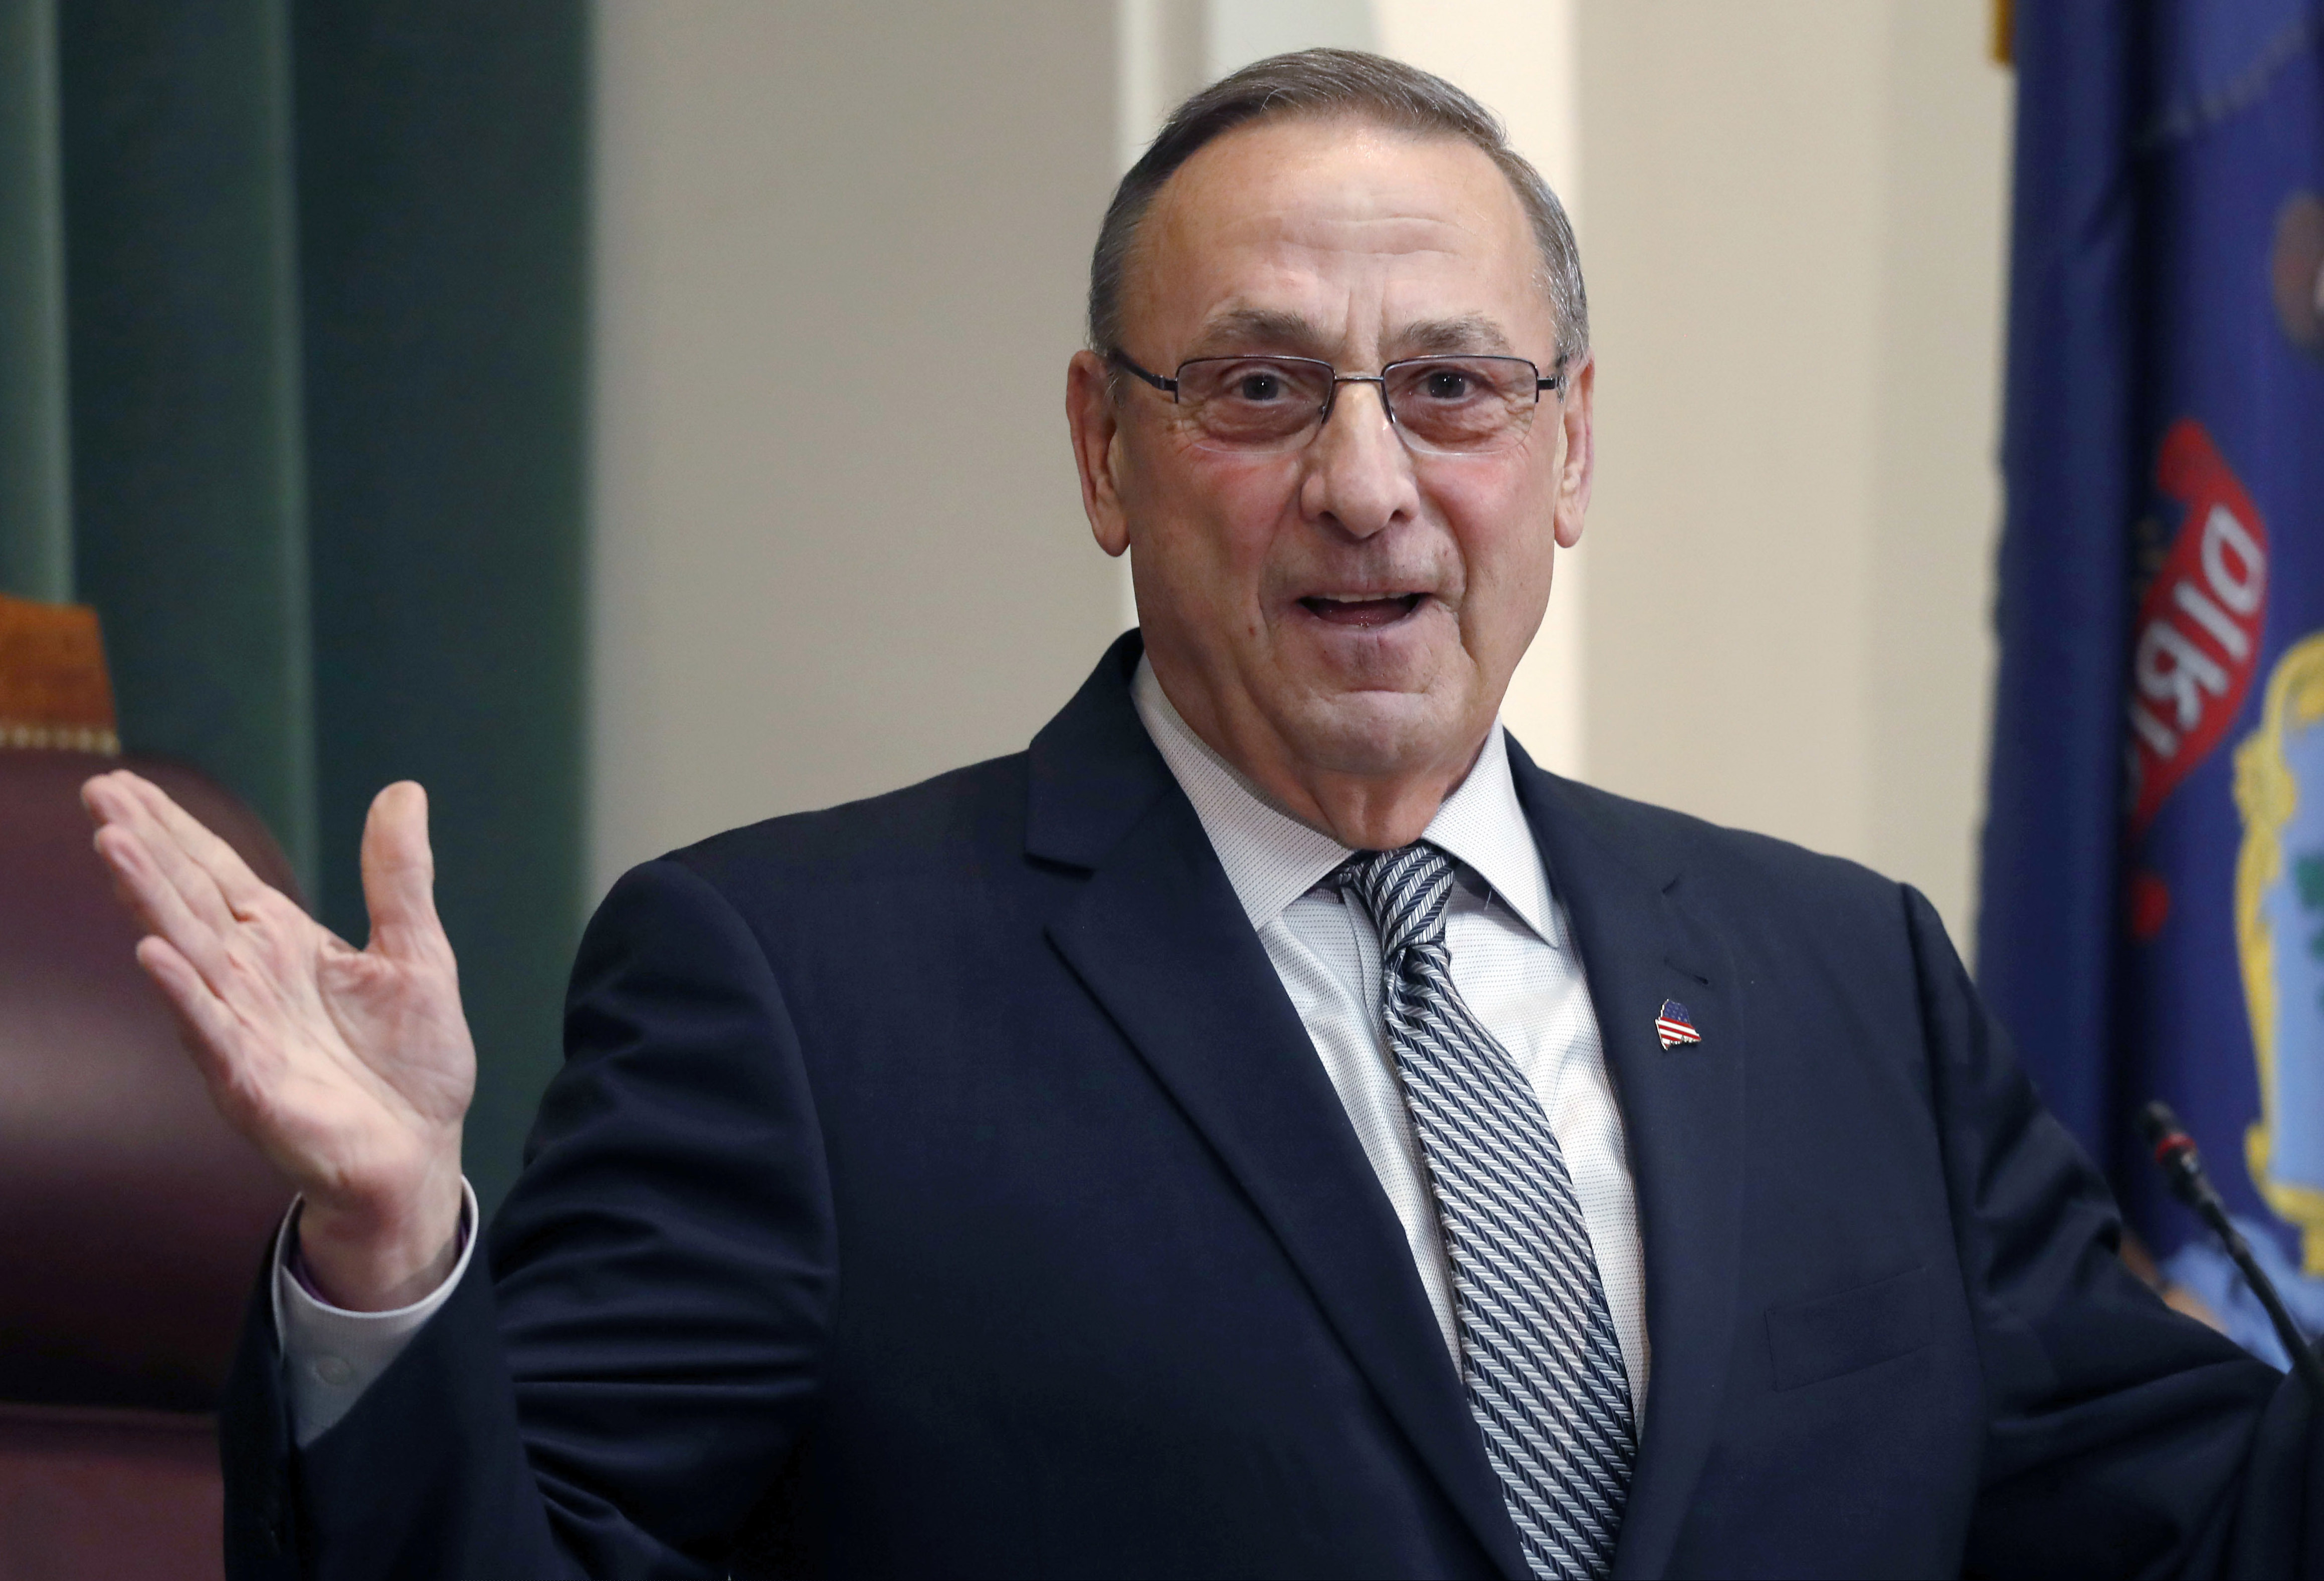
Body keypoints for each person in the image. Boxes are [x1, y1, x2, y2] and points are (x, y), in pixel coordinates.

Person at [81, 48, 2322, 1581]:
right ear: (1104, 451)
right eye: (1258, 388)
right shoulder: (794, 988)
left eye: (1450, 385)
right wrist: (391, 1256)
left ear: (1566, 452)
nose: (1365, 480)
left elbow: (2190, 1529)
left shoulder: (1846, 979)